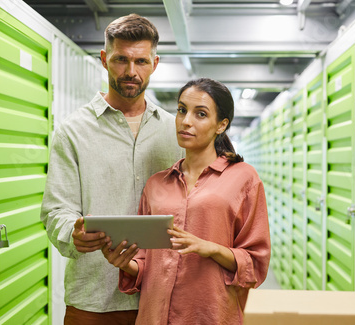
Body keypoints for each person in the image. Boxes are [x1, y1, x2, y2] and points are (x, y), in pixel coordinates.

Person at [40, 14, 183, 324]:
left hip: (164, 298)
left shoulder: (175, 133)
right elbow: (55, 212)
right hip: (93, 301)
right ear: (104, 59)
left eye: (141, 61)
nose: (131, 71)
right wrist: (72, 233)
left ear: (155, 64)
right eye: (121, 60)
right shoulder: (73, 131)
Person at [102, 78, 271, 324]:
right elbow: (147, 262)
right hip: (155, 315)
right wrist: (126, 264)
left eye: (200, 114)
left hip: (209, 313)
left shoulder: (244, 178)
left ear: (221, 125)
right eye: (182, 110)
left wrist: (212, 248)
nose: (185, 121)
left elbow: (255, 262)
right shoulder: (156, 184)